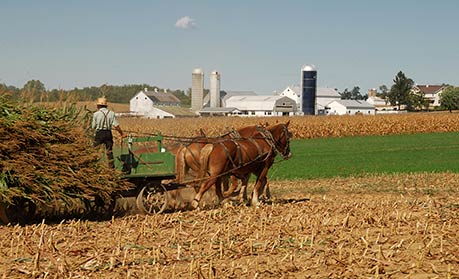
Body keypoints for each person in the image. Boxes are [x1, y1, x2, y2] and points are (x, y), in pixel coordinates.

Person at [91, 97, 124, 168]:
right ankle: (111, 168)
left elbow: (93, 126)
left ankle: (92, 166)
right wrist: (122, 133)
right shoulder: (111, 113)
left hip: (99, 133)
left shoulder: (96, 114)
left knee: (94, 150)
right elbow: (116, 125)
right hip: (108, 133)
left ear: (98, 106)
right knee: (109, 151)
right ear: (106, 106)